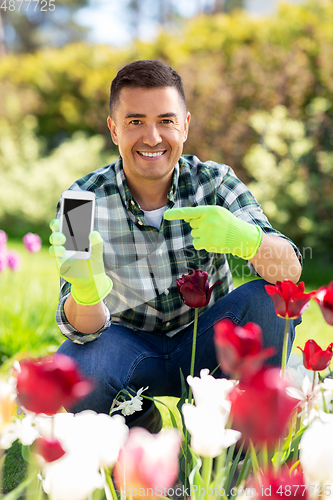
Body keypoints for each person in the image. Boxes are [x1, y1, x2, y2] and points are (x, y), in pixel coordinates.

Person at [49, 59, 302, 426]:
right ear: (114, 130)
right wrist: (86, 290)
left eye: (165, 121)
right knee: (76, 366)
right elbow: (80, 330)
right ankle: (139, 424)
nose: (152, 137)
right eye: (135, 121)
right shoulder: (80, 200)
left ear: (184, 125)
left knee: (269, 300)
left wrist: (244, 240)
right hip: (128, 348)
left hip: (210, 345)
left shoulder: (214, 182)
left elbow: (290, 271)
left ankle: (239, 437)